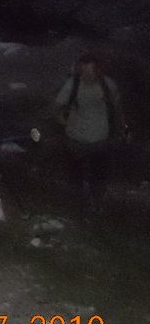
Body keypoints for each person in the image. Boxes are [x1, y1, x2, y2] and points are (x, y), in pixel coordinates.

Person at [53, 53, 124, 214]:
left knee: (98, 174)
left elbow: (116, 109)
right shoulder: (73, 84)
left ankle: (96, 202)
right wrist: (62, 121)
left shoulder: (108, 85)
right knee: (76, 174)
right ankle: (79, 204)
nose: (87, 74)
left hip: (100, 139)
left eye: (90, 70)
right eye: (84, 70)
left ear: (98, 69)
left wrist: (118, 129)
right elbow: (58, 106)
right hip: (76, 138)